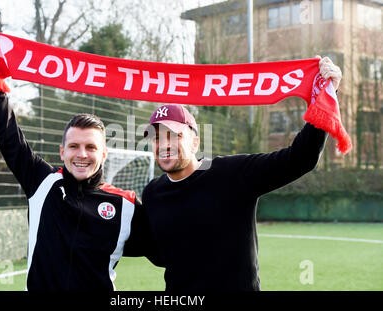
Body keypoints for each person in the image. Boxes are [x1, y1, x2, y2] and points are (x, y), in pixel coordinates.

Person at [141, 57, 342, 291]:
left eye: (174, 135)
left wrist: (326, 94)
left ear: (195, 143)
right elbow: (159, 255)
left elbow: (299, 159)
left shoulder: (232, 174)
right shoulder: (153, 193)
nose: (164, 144)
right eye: (156, 137)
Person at [0, 31, 156, 291]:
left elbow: (165, 248)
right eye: (74, 146)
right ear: (62, 151)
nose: (82, 154)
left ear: (104, 154)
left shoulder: (126, 206)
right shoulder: (42, 182)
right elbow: (7, 135)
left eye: (91, 147)